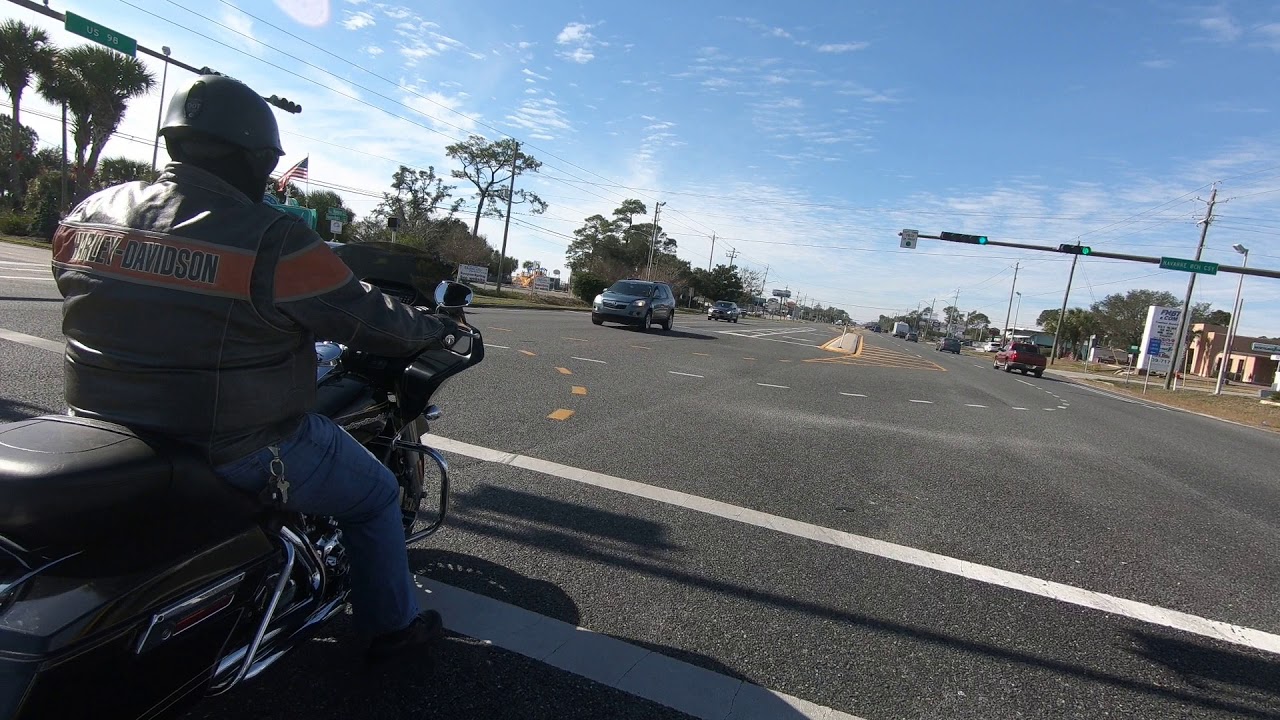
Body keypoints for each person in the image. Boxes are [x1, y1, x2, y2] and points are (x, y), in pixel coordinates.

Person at [50, 74, 447, 662]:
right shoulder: (271, 237)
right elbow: (372, 323)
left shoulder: (90, 211)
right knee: (376, 495)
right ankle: (392, 632)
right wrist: (433, 326)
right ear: (257, 158)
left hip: (97, 427)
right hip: (235, 441)